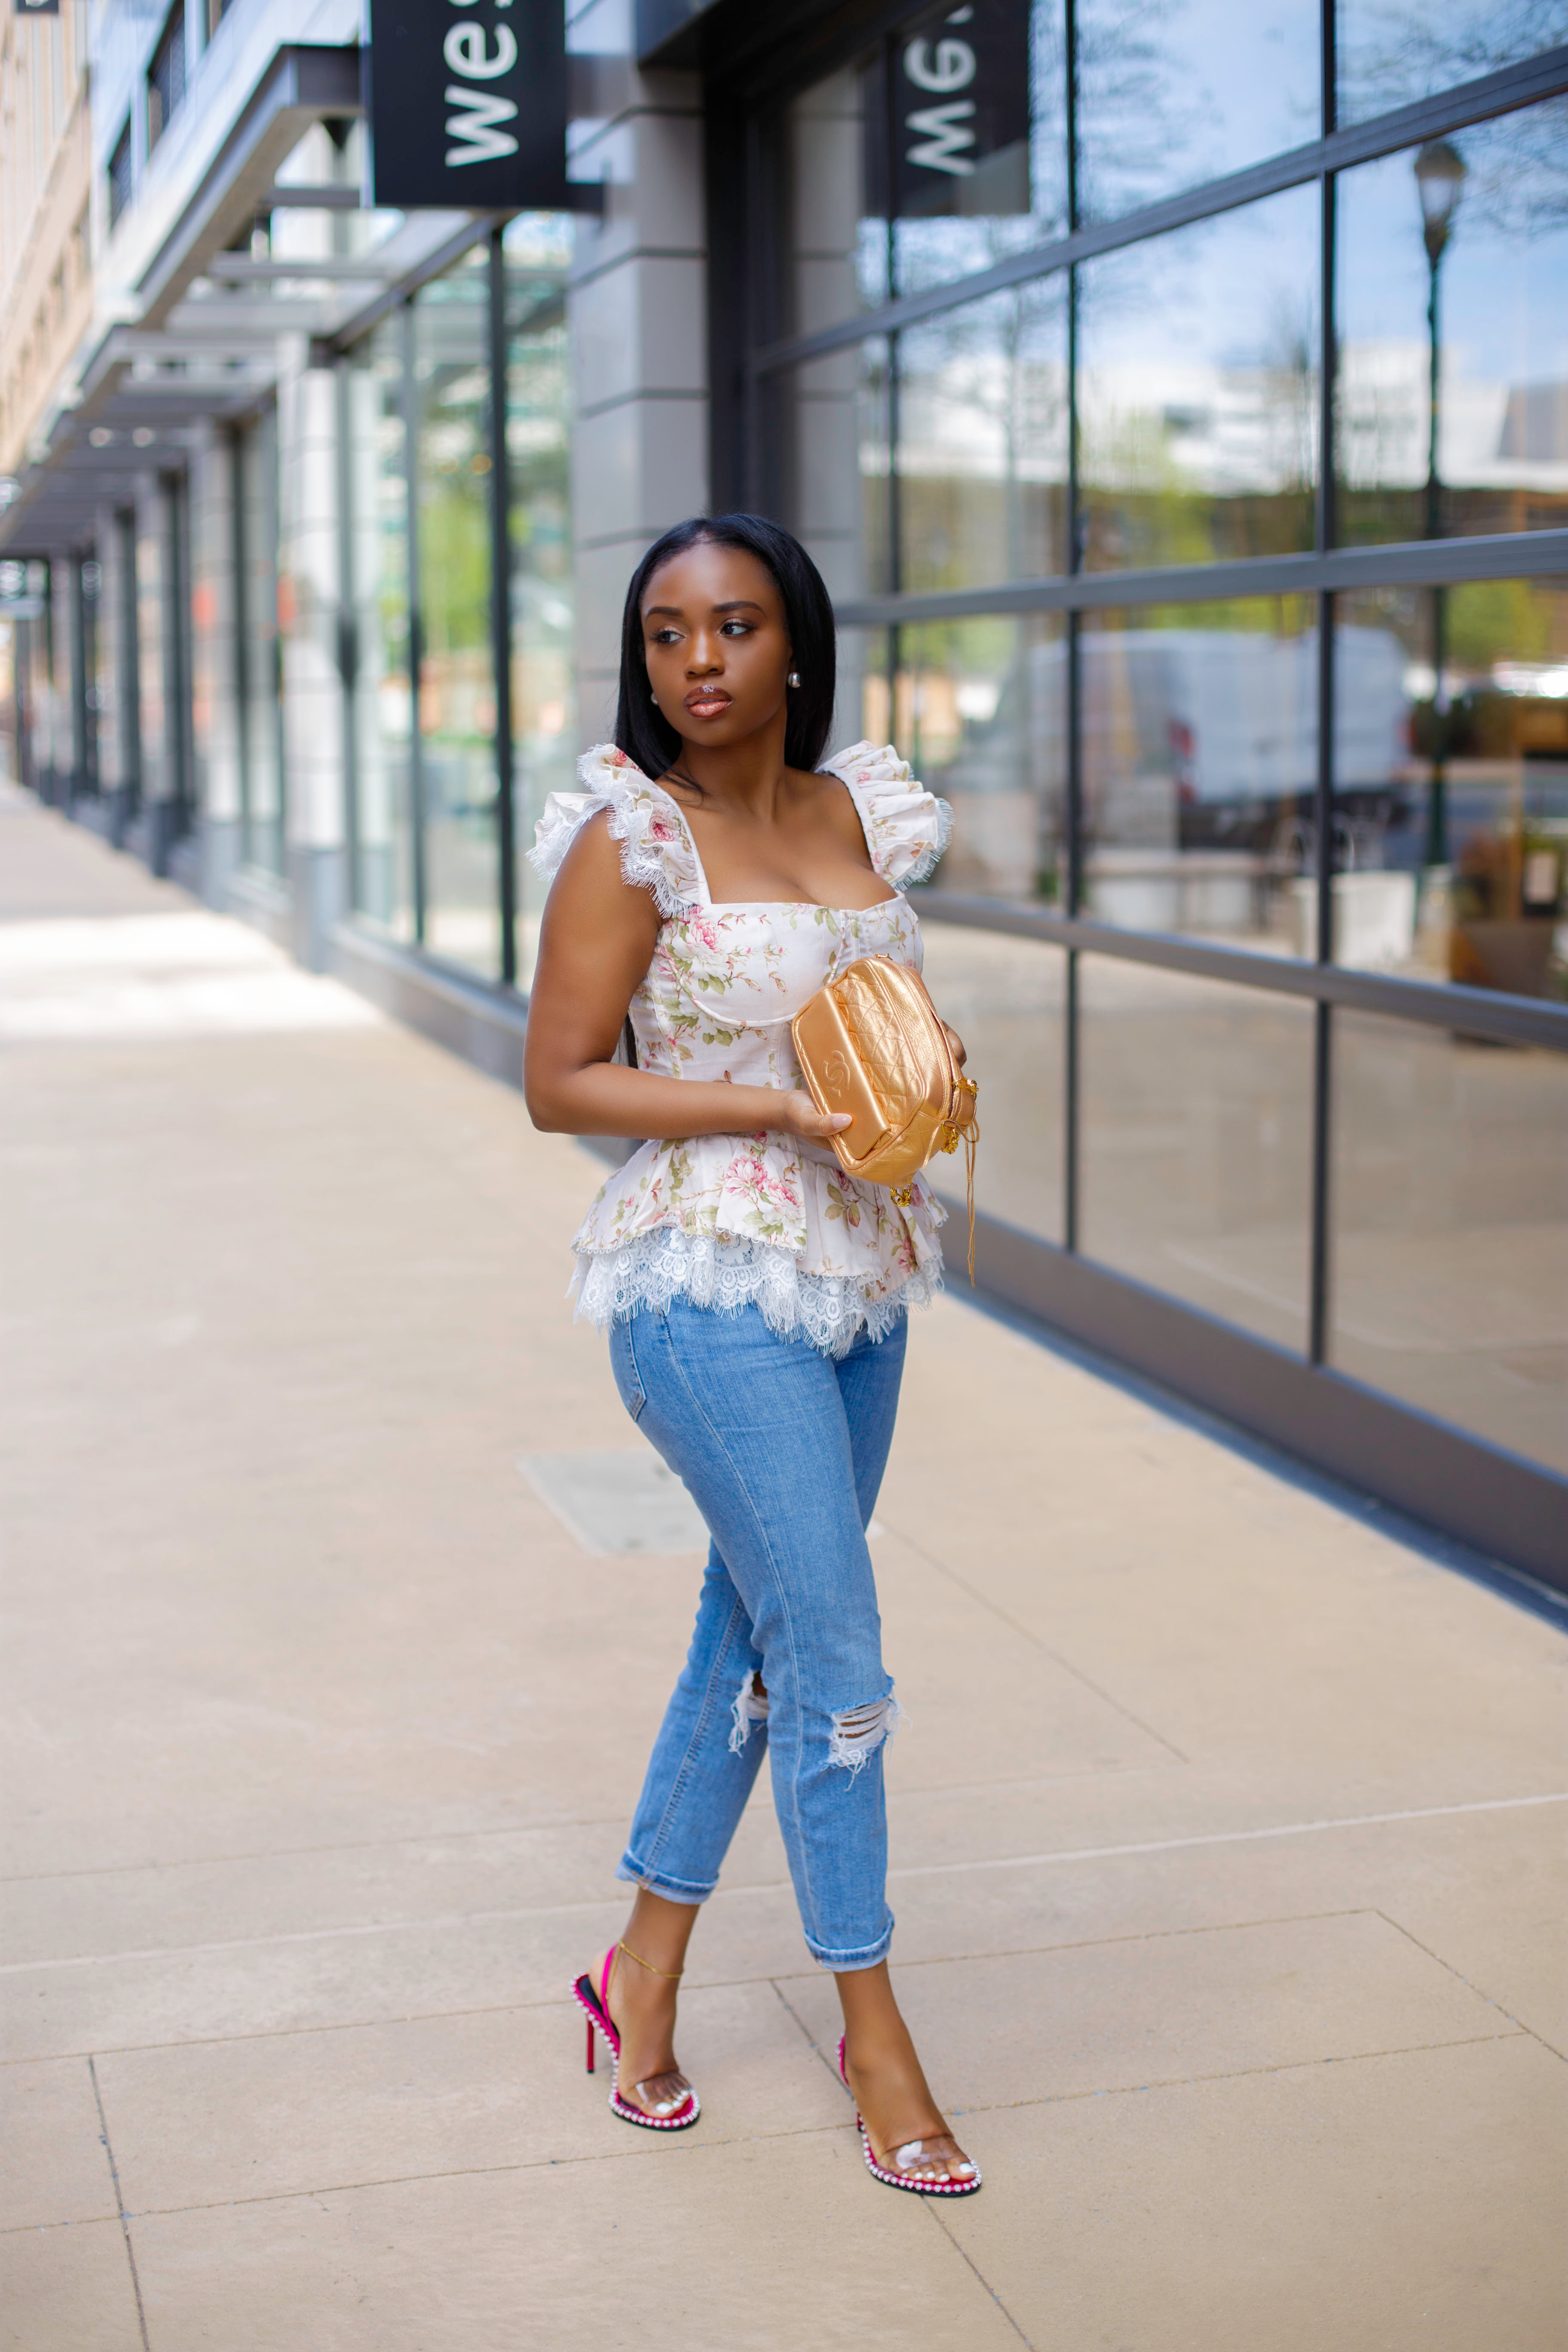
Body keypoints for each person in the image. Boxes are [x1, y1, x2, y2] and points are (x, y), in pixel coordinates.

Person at [523, 512, 979, 2196]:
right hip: (703, 1276)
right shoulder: (632, 837)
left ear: (798, 643)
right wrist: (778, 1103)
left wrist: (916, 1076)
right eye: (663, 633)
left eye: (731, 626)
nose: (697, 661)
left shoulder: (864, 806)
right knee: (838, 1657)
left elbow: (878, 1007)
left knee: (761, 1630)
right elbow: (564, 1076)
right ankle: (876, 2037)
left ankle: (637, 1974)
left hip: (863, 1274)